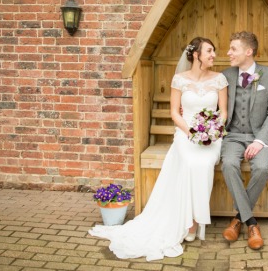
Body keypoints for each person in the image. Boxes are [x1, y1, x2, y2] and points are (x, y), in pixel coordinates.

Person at [89, 37, 228, 261]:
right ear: (196, 55)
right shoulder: (179, 79)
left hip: (212, 137)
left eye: (214, 51)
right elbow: (175, 113)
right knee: (190, 162)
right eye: (209, 51)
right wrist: (192, 133)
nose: (214, 55)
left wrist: (213, 130)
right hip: (186, 134)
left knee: (203, 164)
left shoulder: (219, 79)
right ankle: (186, 222)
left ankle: (194, 221)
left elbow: (223, 112)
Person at [220, 31, 268, 250]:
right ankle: (251, 222)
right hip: (233, 136)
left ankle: (238, 219)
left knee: (262, 168)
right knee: (228, 164)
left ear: (249, 51)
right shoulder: (225, 75)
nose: (228, 53)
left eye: (233, 49)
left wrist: (260, 141)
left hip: (260, 137)